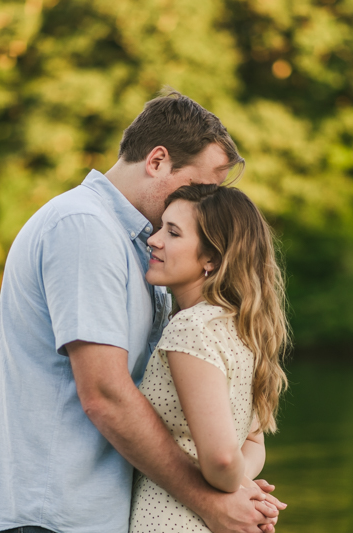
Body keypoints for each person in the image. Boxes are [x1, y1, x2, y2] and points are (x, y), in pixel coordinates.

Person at [0, 89, 284, 533]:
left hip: (91, 515)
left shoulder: (143, 251)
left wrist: (236, 488)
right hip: (49, 515)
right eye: (199, 186)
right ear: (157, 161)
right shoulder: (84, 229)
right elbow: (105, 395)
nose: (206, 203)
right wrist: (210, 502)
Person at [129, 184, 289, 532]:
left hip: (172, 519)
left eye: (172, 232)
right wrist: (247, 493)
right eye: (161, 228)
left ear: (212, 259)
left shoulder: (190, 328)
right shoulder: (242, 328)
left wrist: (239, 491)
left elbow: (220, 458)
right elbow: (252, 442)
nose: (153, 240)